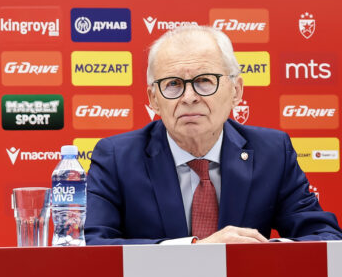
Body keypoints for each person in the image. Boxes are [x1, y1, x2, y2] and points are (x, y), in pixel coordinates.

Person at [85, 25, 341, 245]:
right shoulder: (116, 158)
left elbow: (324, 236)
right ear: (153, 99)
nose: (189, 97)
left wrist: (261, 249)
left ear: (236, 91)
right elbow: (95, 245)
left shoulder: (272, 152)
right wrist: (199, 249)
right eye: (173, 84)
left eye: (204, 81)